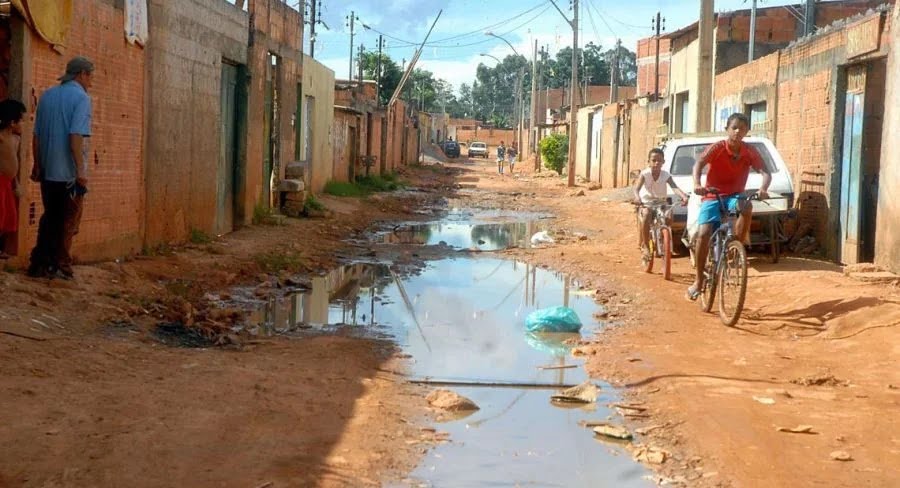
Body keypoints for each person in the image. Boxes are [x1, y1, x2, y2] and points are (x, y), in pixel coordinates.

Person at [686, 113, 770, 301]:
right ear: (727, 129)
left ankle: (736, 246)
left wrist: (763, 188)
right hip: (712, 194)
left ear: (747, 131)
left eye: (742, 128)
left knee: (746, 206)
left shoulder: (749, 151)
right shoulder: (717, 148)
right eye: (734, 127)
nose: (738, 131)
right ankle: (698, 280)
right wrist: (697, 183)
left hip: (735, 195)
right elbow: (699, 164)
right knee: (704, 233)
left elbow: (766, 172)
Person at [28, 56, 94, 280]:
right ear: (82, 74)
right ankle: (60, 265)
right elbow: (75, 136)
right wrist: (80, 171)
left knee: (50, 216)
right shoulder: (82, 98)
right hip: (68, 173)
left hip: (48, 170)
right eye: (90, 76)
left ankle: (40, 263)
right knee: (68, 220)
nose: (91, 81)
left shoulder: (47, 95)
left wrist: (37, 164)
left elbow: (36, 136)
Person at [632, 148, 688, 259]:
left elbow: (674, 187)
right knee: (646, 215)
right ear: (648, 162)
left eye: (659, 160)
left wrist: (683, 196)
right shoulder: (645, 174)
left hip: (661, 202)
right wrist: (637, 198)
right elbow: (636, 188)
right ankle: (646, 246)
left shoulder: (665, 175)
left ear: (663, 162)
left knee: (668, 217)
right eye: (653, 160)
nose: (656, 163)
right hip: (647, 202)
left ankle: (663, 240)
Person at [0, 99, 25, 259]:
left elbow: (15, 162)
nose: (22, 124)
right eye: (20, 120)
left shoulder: (15, 139)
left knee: (8, 216)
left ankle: (3, 248)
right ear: (12, 122)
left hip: (8, 183)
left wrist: (16, 184)